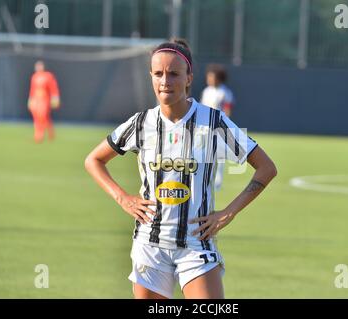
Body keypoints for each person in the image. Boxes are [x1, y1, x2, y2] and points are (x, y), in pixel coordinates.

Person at [85, 38, 277, 299]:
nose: (165, 81)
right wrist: (123, 198)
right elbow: (93, 160)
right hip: (150, 245)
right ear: (151, 77)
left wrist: (228, 213)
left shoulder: (213, 122)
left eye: (174, 74)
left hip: (196, 244)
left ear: (189, 78)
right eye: (158, 74)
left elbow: (266, 167)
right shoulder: (141, 123)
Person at [200, 64, 235, 191]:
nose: (209, 79)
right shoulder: (206, 91)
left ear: (219, 79)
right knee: (204, 152)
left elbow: (227, 109)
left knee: (219, 154)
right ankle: (205, 176)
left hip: (219, 126)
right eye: (208, 77)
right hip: (205, 126)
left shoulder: (225, 92)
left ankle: (218, 180)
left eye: (212, 77)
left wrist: (224, 125)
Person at [28, 60, 60, 143]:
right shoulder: (34, 77)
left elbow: (53, 88)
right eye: (37, 66)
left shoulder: (48, 76)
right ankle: (41, 133)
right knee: (37, 117)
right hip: (36, 99)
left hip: (44, 99)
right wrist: (30, 99)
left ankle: (42, 134)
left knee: (43, 117)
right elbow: (32, 89)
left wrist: (55, 98)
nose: (39, 68)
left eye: (40, 66)